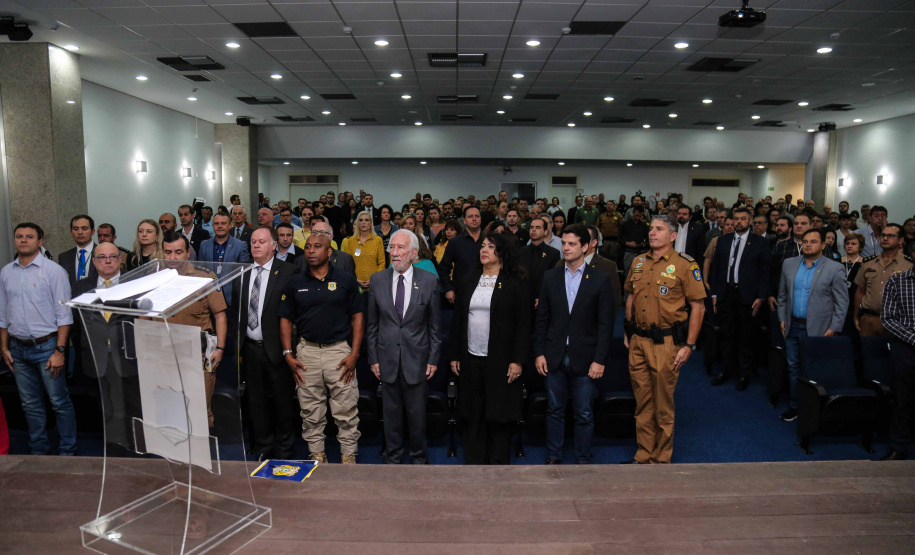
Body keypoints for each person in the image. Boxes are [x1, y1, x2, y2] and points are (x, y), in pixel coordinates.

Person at [622, 215, 705, 464]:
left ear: (673, 235)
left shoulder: (685, 264)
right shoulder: (638, 261)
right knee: (642, 402)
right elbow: (630, 297)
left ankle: (661, 458)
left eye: (659, 229)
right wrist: (628, 330)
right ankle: (644, 453)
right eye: (651, 228)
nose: (652, 233)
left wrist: (689, 345)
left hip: (666, 343)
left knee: (662, 404)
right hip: (639, 341)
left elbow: (698, 307)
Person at [532, 224, 615, 464]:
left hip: (586, 358)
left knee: (585, 413)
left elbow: (605, 325)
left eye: (572, 244)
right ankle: (554, 456)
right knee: (554, 410)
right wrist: (539, 352)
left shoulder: (600, 279)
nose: (566, 248)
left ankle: (583, 459)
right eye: (564, 243)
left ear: (585, 247)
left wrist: (599, 360)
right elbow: (542, 319)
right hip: (553, 355)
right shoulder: (550, 277)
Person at [280, 232, 364, 464]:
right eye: (308, 246)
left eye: (317, 246)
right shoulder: (296, 282)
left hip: (339, 352)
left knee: (346, 408)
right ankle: (317, 454)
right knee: (310, 410)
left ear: (329, 252)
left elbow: (358, 316)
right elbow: (285, 319)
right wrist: (288, 353)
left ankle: (348, 455)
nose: (311, 250)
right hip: (306, 352)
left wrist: (354, 353)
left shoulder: (346, 280)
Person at [450, 232, 531, 464]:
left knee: (498, 411)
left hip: (501, 359)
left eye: (490, 247)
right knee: (473, 410)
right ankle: (474, 460)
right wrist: (455, 354)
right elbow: (458, 321)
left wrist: (517, 360)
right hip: (470, 357)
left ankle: (498, 463)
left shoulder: (515, 282)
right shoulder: (469, 280)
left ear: (502, 252)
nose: (484, 250)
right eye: (482, 246)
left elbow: (523, 324)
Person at [0, 223, 77, 456]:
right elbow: (3, 313)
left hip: (48, 348)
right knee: (30, 405)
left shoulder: (54, 271)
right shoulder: (6, 272)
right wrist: (4, 347)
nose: (23, 240)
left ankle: (68, 451)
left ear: (40, 241)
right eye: (19, 236)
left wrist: (60, 351)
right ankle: (38, 451)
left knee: (59, 402)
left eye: (29, 237)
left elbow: (65, 315)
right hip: (17, 349)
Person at [366, 230, 442, 464]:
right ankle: (393, 460)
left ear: (413, 253)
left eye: (400, 248)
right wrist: (373, 358)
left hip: (417, 360)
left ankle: (419, 460)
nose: (395, 253)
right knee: (391, 417)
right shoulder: (377, 280)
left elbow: (435, 326)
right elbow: (372, 325)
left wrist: (433, 359)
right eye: (392, 247)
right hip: (386, 360)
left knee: (417, 418)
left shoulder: (429, 281)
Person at [71, 241, 140, 454]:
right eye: (102, 257)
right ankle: (113, 447)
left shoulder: (136, 283)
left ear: (120, 259)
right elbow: (76, 324)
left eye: (113, 256)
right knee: (105, 404)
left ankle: (136, 447)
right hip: (96, 354)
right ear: (94, 261)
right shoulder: (80, 287)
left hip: (129, 354)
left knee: (133, 404)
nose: (107, 261)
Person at [777, 228, 849, 422]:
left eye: (813, 241)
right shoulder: (789, 264)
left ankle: (816, 410)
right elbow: (782, 296)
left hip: (821, 328)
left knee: (816, 369)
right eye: (805, 241)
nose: (808, 245)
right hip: (792, 325)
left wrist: (834, 327)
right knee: (793, 367)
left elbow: (842, 302)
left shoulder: (834, 268)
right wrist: (782, 318)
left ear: (823, 245)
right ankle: (795, 406)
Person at [239, 227, 298, 461]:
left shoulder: (289, 272)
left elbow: (294, 312)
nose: (256, 245)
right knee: (256, 402)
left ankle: (284, 449)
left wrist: (290, 348)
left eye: (261, 242)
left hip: (278, 350)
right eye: (253, 241)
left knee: (283, 403)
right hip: (250, 349)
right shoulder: (242, 271)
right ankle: (264, 447)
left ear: (274, 245)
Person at [160, 232, 227, 428]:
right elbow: (145, 317)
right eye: (168, 252)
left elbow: (220, 315)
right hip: (165, 352)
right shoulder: (155, 278)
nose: (172, 257)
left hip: (199, 352)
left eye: (178, 252)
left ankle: (203, 443)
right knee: (169, 407)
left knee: (200, 409)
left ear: (188, 252)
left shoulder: (204, 277)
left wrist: (220, 348)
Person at [710, 207, 771, 390]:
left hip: (748, 296)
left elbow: (765, 272)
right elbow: (716, 269)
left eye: (743, 218)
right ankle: (725, 369)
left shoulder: (760, 242)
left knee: (746, 336)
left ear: (750, 221)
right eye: (736, 218)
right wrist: (714, 294)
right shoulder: (722, 240)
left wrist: (761, 296)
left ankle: (744, 373)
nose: (739, 222)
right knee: (726, 334)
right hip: (726, 294)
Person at [880, 265, 915, 460]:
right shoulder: (897, 281)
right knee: (903, 398)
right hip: (906, 347)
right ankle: (898, 447)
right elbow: (888, 318)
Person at [854, 223, 914, 337]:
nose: (885, 238)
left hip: (899, 323)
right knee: (867, 348)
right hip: (870, 319)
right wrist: (856, 316)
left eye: (891, 236)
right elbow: (860, 291)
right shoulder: (868, 263)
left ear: (901, 240)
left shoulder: (909, 265)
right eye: (883, 235)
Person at [198, 213, 253, 307]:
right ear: (213, 226)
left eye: (223, 223)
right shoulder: (204, 245)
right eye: (216, 223)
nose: (219, 226)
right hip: (208, 297)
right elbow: (200, 271)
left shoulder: (240, 245)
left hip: (231, 299)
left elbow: (244, 273)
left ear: (230, 225)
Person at [439, 205, 484, 304]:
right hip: (461, 294)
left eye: (477, 216)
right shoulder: (455, 242)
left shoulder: (490, 241)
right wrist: (448, 288)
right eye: (470, 216)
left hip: (486, 291)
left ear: (480, 219)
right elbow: (443, 268)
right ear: (464, 221)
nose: (474, 219)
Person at [768, 214, 810, 311]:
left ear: (811, 226)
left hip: (812, 297)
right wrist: (770, 294)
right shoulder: (780, 246)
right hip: (783, 297)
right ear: (792, 227)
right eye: (796, 223)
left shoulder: (822, 247)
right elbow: (771, 272)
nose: (799, 226)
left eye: (803, 223)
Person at [520, 216, 561, 307]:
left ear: (545, 232)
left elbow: (553, 280)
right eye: (532, 227)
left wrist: (543, 297)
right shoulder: (521, 252)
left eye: (538, 227)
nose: (534, 230)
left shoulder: (553, 253)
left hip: (544, 300)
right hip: (523, 300)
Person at [341, 211, 386, 291]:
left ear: (371, 223)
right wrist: (355, 279)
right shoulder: (351, 240)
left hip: (374, 284)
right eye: (361, 220)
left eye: (366, 220)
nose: (363, 222)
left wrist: (374, 279)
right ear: (358, 223)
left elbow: (382, 263)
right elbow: (348, 263)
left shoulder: (378, 240)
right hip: (355, 284)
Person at [59, 214, 98, 290]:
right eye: (76, 229)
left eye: (84, 228)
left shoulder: (102, 254)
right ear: (71, 232)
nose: (80, 232)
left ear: (93, 232)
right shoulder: (64, 257)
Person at [841, 233, 865, 336]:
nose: (849, 246)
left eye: (853, 244)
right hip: (839, 302)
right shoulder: (836, 262)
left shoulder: (865, 263)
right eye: (847, 243)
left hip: (856, 303)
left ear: (861, 246)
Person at [620, 205, 649, 276]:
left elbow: (648, 240)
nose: (638, 217)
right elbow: (619, 238)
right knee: (628, 272)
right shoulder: (625, 224)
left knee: (640, 272)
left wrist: (643, 244)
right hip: (629, 252)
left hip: (641, 252)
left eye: (640, 216)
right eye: (636, 215)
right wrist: (627, 243)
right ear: (633, 213)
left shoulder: (644, 226)